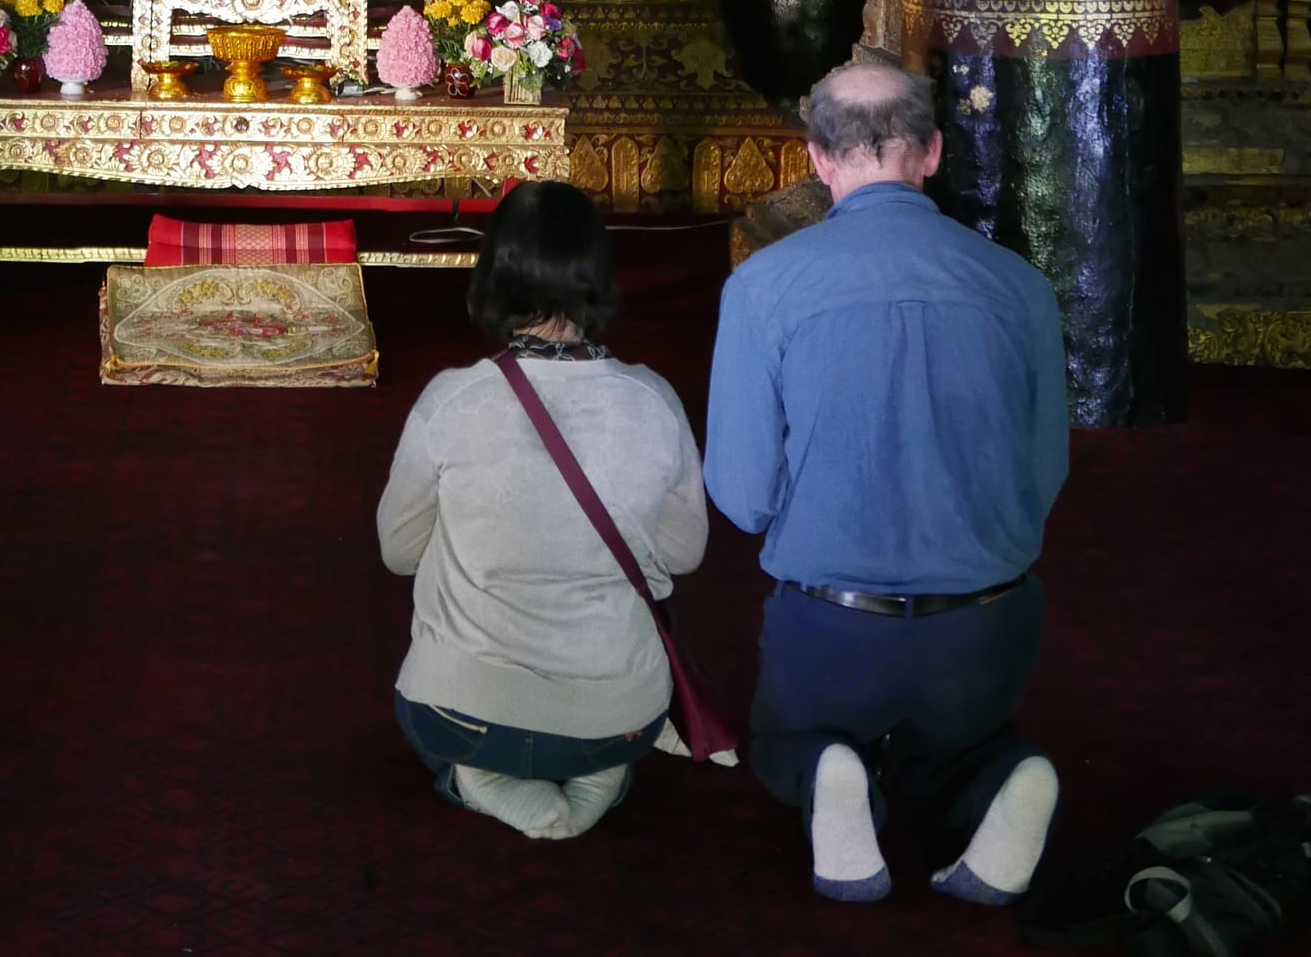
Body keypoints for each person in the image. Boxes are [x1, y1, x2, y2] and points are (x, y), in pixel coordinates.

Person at [704, 65, 1070, 908]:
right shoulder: (1021, 287)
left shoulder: (763, 286)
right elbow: (1044, 473)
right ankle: (1002, 773)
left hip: (833, 626)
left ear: (817, 158)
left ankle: (829, 769)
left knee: (784, 744)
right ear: (933, 151)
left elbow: (742, 494)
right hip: (984, 628)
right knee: (956, 756)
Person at [377, 182, 707, 843]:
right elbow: (682, 554)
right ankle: (602, 771)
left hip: (461, 713)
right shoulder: (653, 400)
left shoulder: (452, 399)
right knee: (606, 729)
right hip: (619, 717)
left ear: (493, 273)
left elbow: (398, 552)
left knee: (433, 714)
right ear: (600, 274)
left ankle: (476, 776)